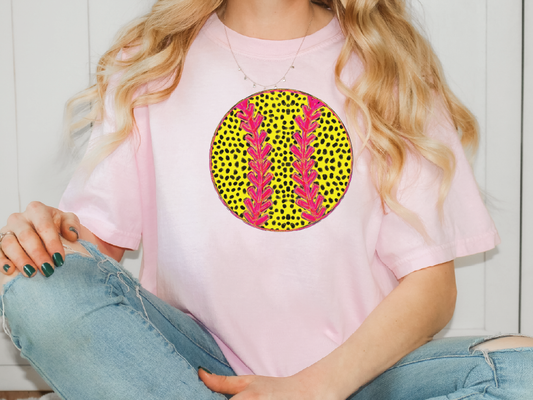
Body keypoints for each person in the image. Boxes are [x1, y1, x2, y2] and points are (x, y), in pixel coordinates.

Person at [0, 0, 532, 399]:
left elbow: (433, 287)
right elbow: (90, 267)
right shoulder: (151, 63)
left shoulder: (389, 68)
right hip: (194, 370)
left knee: (523, 373)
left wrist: (312, 388)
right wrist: (41, 237)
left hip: (359, 381)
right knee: (36, 289)